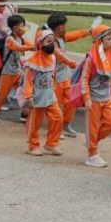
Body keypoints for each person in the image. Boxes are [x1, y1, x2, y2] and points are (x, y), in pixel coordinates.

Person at [45, 13, 91, 138]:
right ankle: (55, 130)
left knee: (71, 102)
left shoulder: (62, 38)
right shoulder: (49, 41)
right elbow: (59, 54)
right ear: (60, 27)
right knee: (56, 105)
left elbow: (73, 36)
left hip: (65, 77)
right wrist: (71, 62)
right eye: (65, 25)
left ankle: (65, 125)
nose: (67, 28)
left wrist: (87, 32)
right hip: (55, 79)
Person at [81, 25, 111, 167]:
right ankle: (92, 155)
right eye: (109, 39)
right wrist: (87, 98)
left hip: (107, 98)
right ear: (99, 41)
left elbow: (110, 77)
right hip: (94, 99)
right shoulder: (90, 58)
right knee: (93, 128)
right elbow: (84, 79)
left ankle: (91, 142)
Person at [22, 29, 63, 157]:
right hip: (37, 98)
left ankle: (51, 144)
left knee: (58, 118)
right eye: (48, 41)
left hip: (50, 96)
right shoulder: (33, 61)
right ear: (40, 43)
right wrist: (28, 97)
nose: (52, 44)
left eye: (53, 41)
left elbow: (52, 76)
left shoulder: (53, 58)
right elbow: (27, 81)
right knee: (35, 124)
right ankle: (32, 146)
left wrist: (54, 87)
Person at [0, 14, 33, 126]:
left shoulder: (21, 38)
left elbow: (28, 45)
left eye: (23, 25)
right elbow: (18, 47)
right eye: (21, 26)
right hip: (7, 73)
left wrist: (38, 45)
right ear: (14, 27)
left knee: (24, 93)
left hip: (18, 72)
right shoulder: (9, 39)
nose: (23, 28)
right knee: (2, 95)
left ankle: (25, 113)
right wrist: (32, 47)